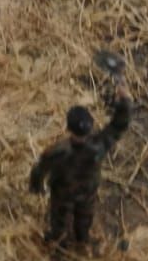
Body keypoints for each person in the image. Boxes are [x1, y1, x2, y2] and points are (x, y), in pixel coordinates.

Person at [29, 73, 132, 248]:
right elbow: (119, 125)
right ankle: (82, 238)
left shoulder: (58, 151)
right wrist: (125, 101)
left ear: (68, 128)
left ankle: (59, 241)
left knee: (59, 219)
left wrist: (36, 186)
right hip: (88, 190)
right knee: (84, 216)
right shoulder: (99, 144)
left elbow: (40, 169)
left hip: (63, 193)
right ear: (91, 125)